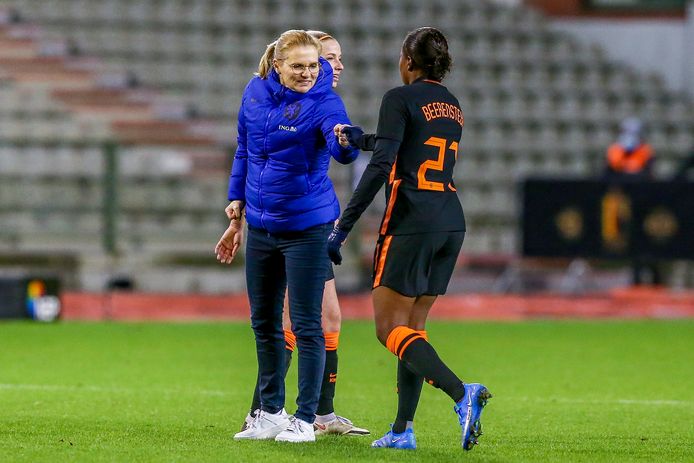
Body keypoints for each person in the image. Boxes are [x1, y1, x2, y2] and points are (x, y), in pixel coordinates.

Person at [328, 27, 491, 451]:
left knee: (388, 329)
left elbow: (383, 167)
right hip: (449, 220)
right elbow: (409, 146)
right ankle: (402, 430)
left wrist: (342, 227)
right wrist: (362, 138)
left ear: (408, 61)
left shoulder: (397, 98)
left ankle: (461, 393)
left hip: (411, 222)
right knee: (413, 328)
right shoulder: (451, 105)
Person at [215, 29, 359, 443]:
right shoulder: (256, 92)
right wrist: (236, 203)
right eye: (298, 66)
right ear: (277, 65)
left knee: (308, 325)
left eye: (315, 66)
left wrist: (346, 142)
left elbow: (339, 141)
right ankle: (270, 412)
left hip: (307, 227)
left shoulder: (325, 100)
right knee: (263, 323)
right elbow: (244, 148)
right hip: (261, 225)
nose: (308, 73)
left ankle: (305, 418)